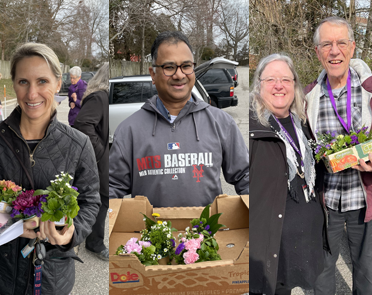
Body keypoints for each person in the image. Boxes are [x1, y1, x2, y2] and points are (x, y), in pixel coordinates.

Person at [0, 42, 101, 295]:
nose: (32, 93)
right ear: (13, 84)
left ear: (58, 83)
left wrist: (72, 232)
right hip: (1, 273)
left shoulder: (78, 144)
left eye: (42, 81)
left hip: (53, 277)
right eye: (23, 82)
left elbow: (90, 201)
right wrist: (8, 227)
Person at [108, 31, 249, 207]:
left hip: (206, 233)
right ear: (153, 74)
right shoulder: (129, 130)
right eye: (169, 67)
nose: (179, 75)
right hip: (151, 235)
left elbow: (246, 176)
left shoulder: (221, 123)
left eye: (186, 66)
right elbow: (113, 188)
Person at [305, 17, 372, 295]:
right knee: (321, 274)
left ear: (352, 48)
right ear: (317, 52)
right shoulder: (307, 97)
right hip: (324, 204)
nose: (334, 51)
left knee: (366, 276)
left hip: (364, 201)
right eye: (326, 44)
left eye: (341, 43)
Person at [249, 53, 326, 295]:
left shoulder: (302, 124)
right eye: (271, 79)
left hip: (303, 242)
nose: (279, 86)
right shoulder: (254, 130)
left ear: (295, 85)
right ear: (258, 84)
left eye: (286, 79)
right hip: (271, 247)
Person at [73, 63, 110, 261]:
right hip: (99, 158)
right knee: (101, 199)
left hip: (102, 156)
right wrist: (102, 152)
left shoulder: (102, 96)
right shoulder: (99, 97)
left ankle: (81, 235)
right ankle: (93, 243)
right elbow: (82, 125)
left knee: (96, 197)